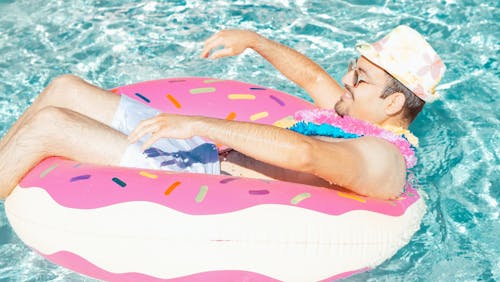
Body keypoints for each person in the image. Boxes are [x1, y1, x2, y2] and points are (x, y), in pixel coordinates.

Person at [0, 25, 445, 200]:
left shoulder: (382, 159)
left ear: (392, 102)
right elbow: (312, 80)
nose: (346, 82)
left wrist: (195, 123)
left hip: (205, 174)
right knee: (64, 89)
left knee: (49, 126)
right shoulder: (357, 115)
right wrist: (255, 40)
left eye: (360, 78)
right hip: (204, 148)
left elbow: (307, 153)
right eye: (352, 70)